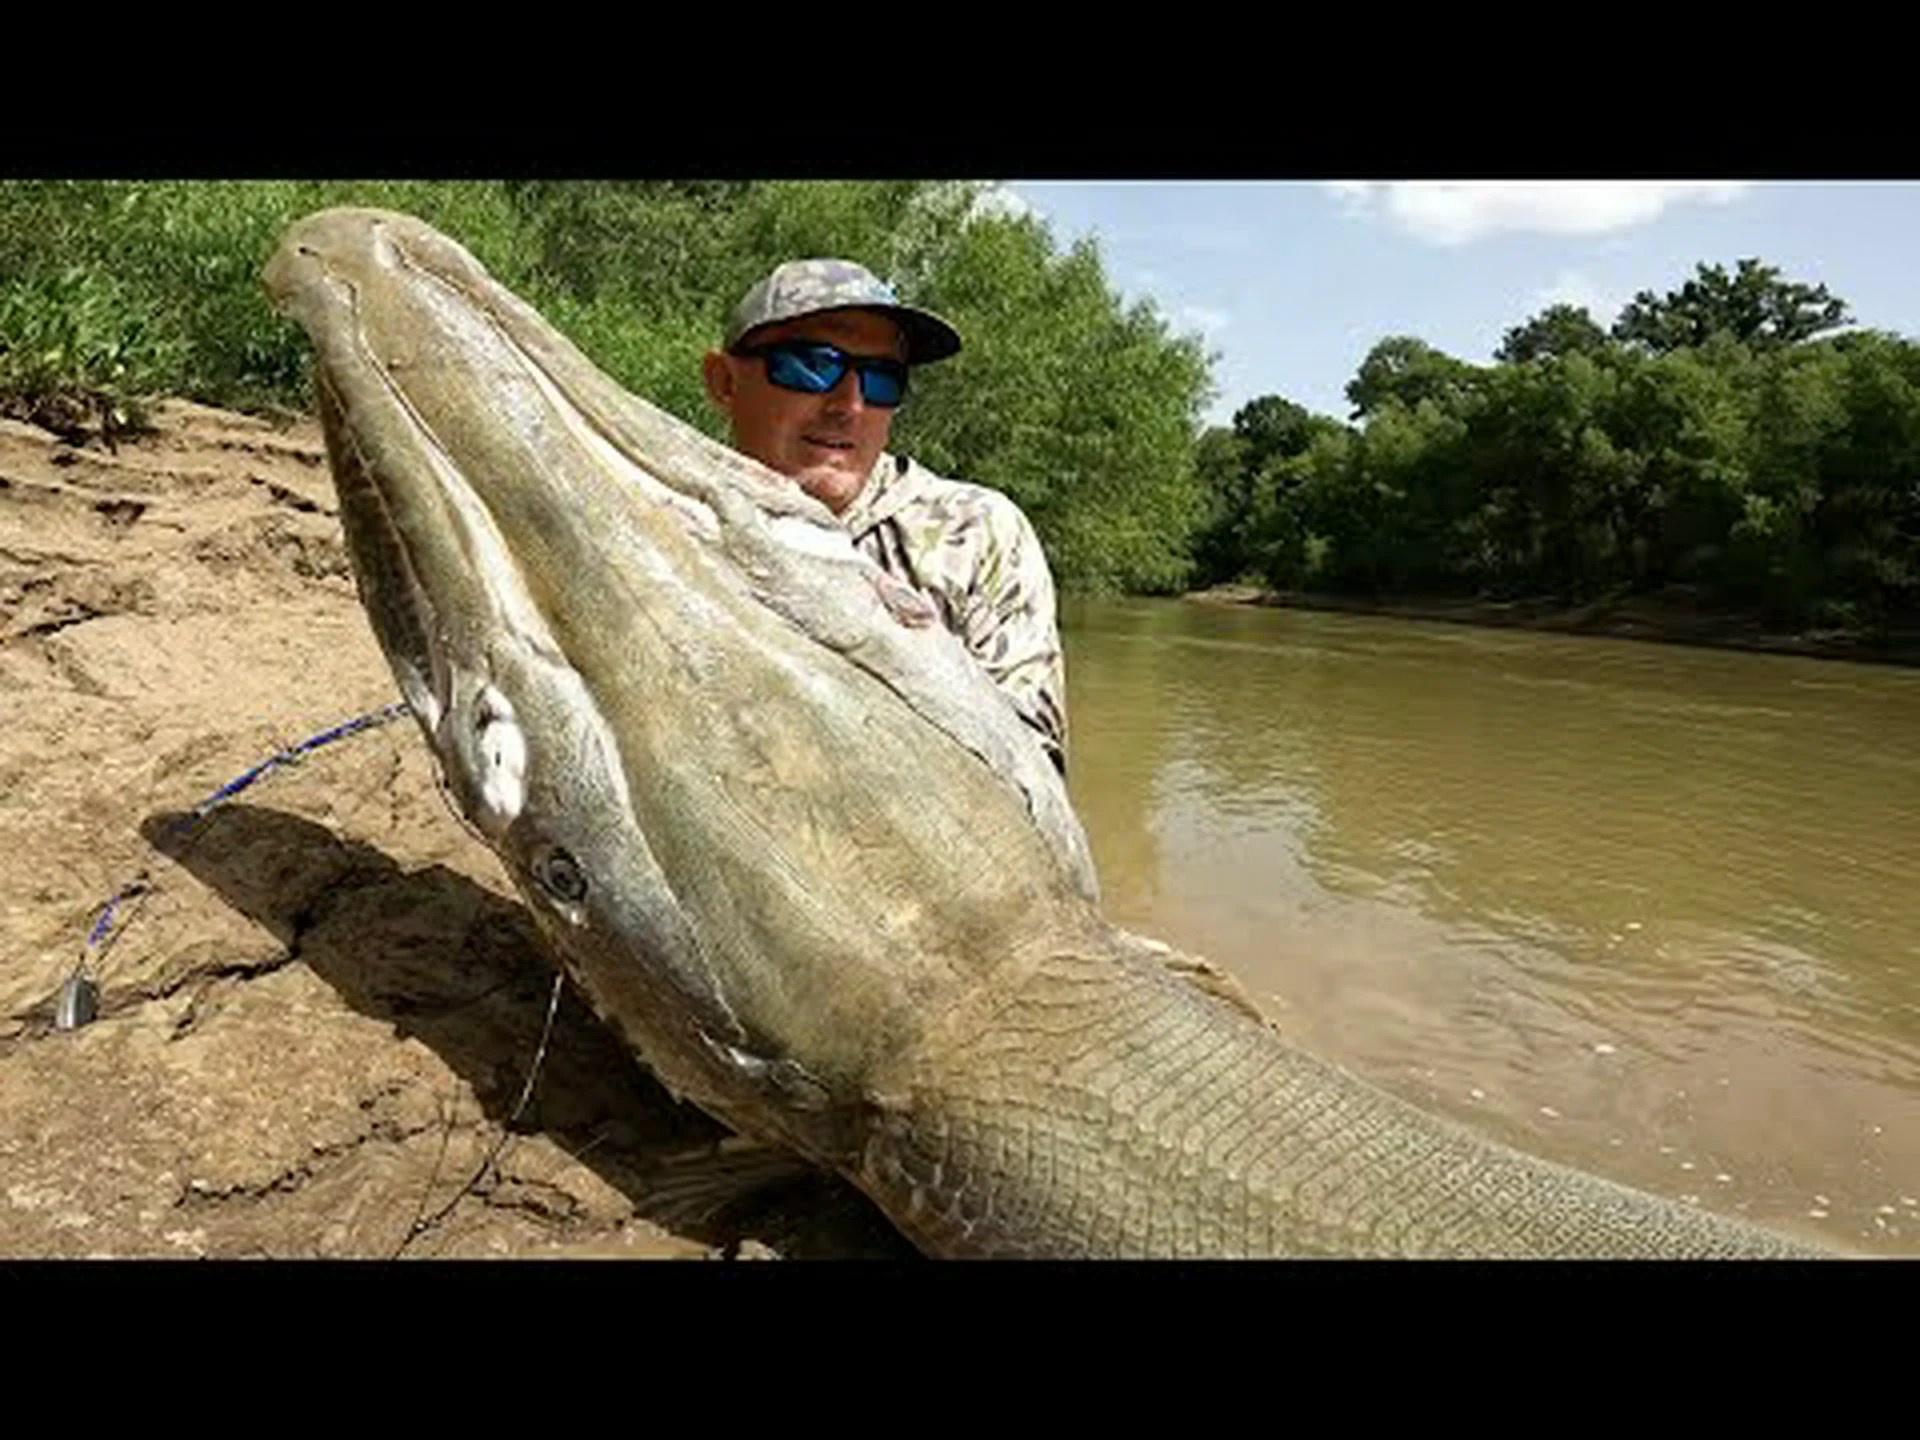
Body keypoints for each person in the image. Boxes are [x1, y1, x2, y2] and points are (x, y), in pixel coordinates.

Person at [702, 258, 1068, 775]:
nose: (849, 404)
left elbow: (1031, 779)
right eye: (812, 364)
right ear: (723, 382)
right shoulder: (668, 523)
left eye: (881, 379)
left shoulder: (980, 536)